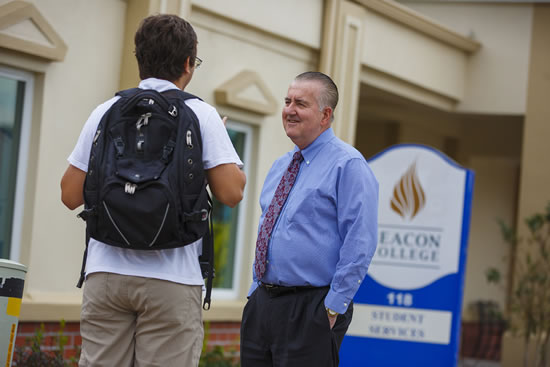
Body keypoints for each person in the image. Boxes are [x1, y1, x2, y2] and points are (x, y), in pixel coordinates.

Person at [60, 14, 246, 367]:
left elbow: (70, 195)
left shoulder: (106, 111)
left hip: (106, 273)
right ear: (189, 64)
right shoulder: (201, 116)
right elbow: (232, 193)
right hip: (172, 277)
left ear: (139, 58)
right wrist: (220, 149)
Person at [240, 71, 378, 367]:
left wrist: (332, 308)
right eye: (287, 101)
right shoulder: (280, 165)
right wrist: (255, 291)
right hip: (263, 304)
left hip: (312, 308)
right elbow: (268, 227)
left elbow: (360, 242)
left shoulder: (349, 165)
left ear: (325, 115)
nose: (289, 110)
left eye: (300, 103)